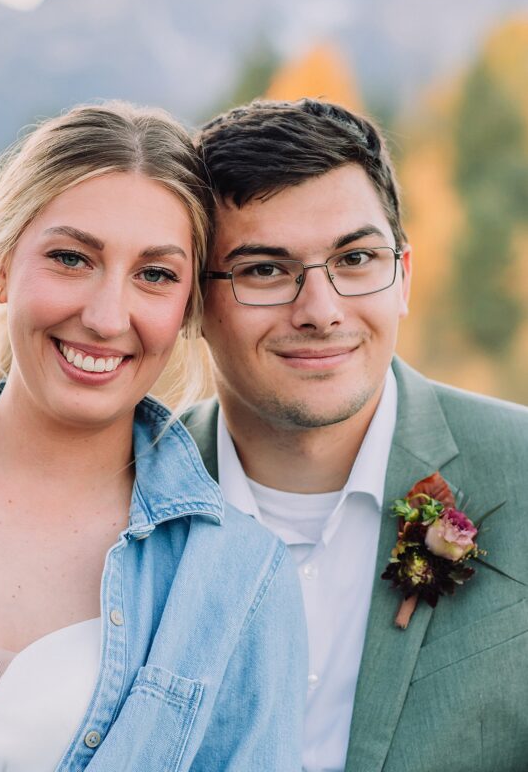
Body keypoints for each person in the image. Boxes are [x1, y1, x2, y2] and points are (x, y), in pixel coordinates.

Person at [0, 102, 307, 772]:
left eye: (155, 274)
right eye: (70, 258)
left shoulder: (238, 584)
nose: (105, 315)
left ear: (186, 311)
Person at [185, 97, 528, 772]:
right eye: (264, 270)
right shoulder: (119, 491)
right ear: (196, 300)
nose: (320, 310)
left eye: (356, 259)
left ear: (404, 275)